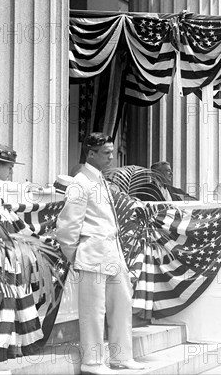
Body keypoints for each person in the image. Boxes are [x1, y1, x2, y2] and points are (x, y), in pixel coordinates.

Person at [56, 133, 144, 374]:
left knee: (122, 305)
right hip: (92, 255)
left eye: (112, 152)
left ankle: (121, 356)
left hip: (112, 254)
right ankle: (92, 362)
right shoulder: (80, 182)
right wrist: (76, 255)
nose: (111, 157)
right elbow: (67, 226)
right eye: (106, 153)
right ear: (90, 153)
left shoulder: (101, 181)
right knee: (93, 312)